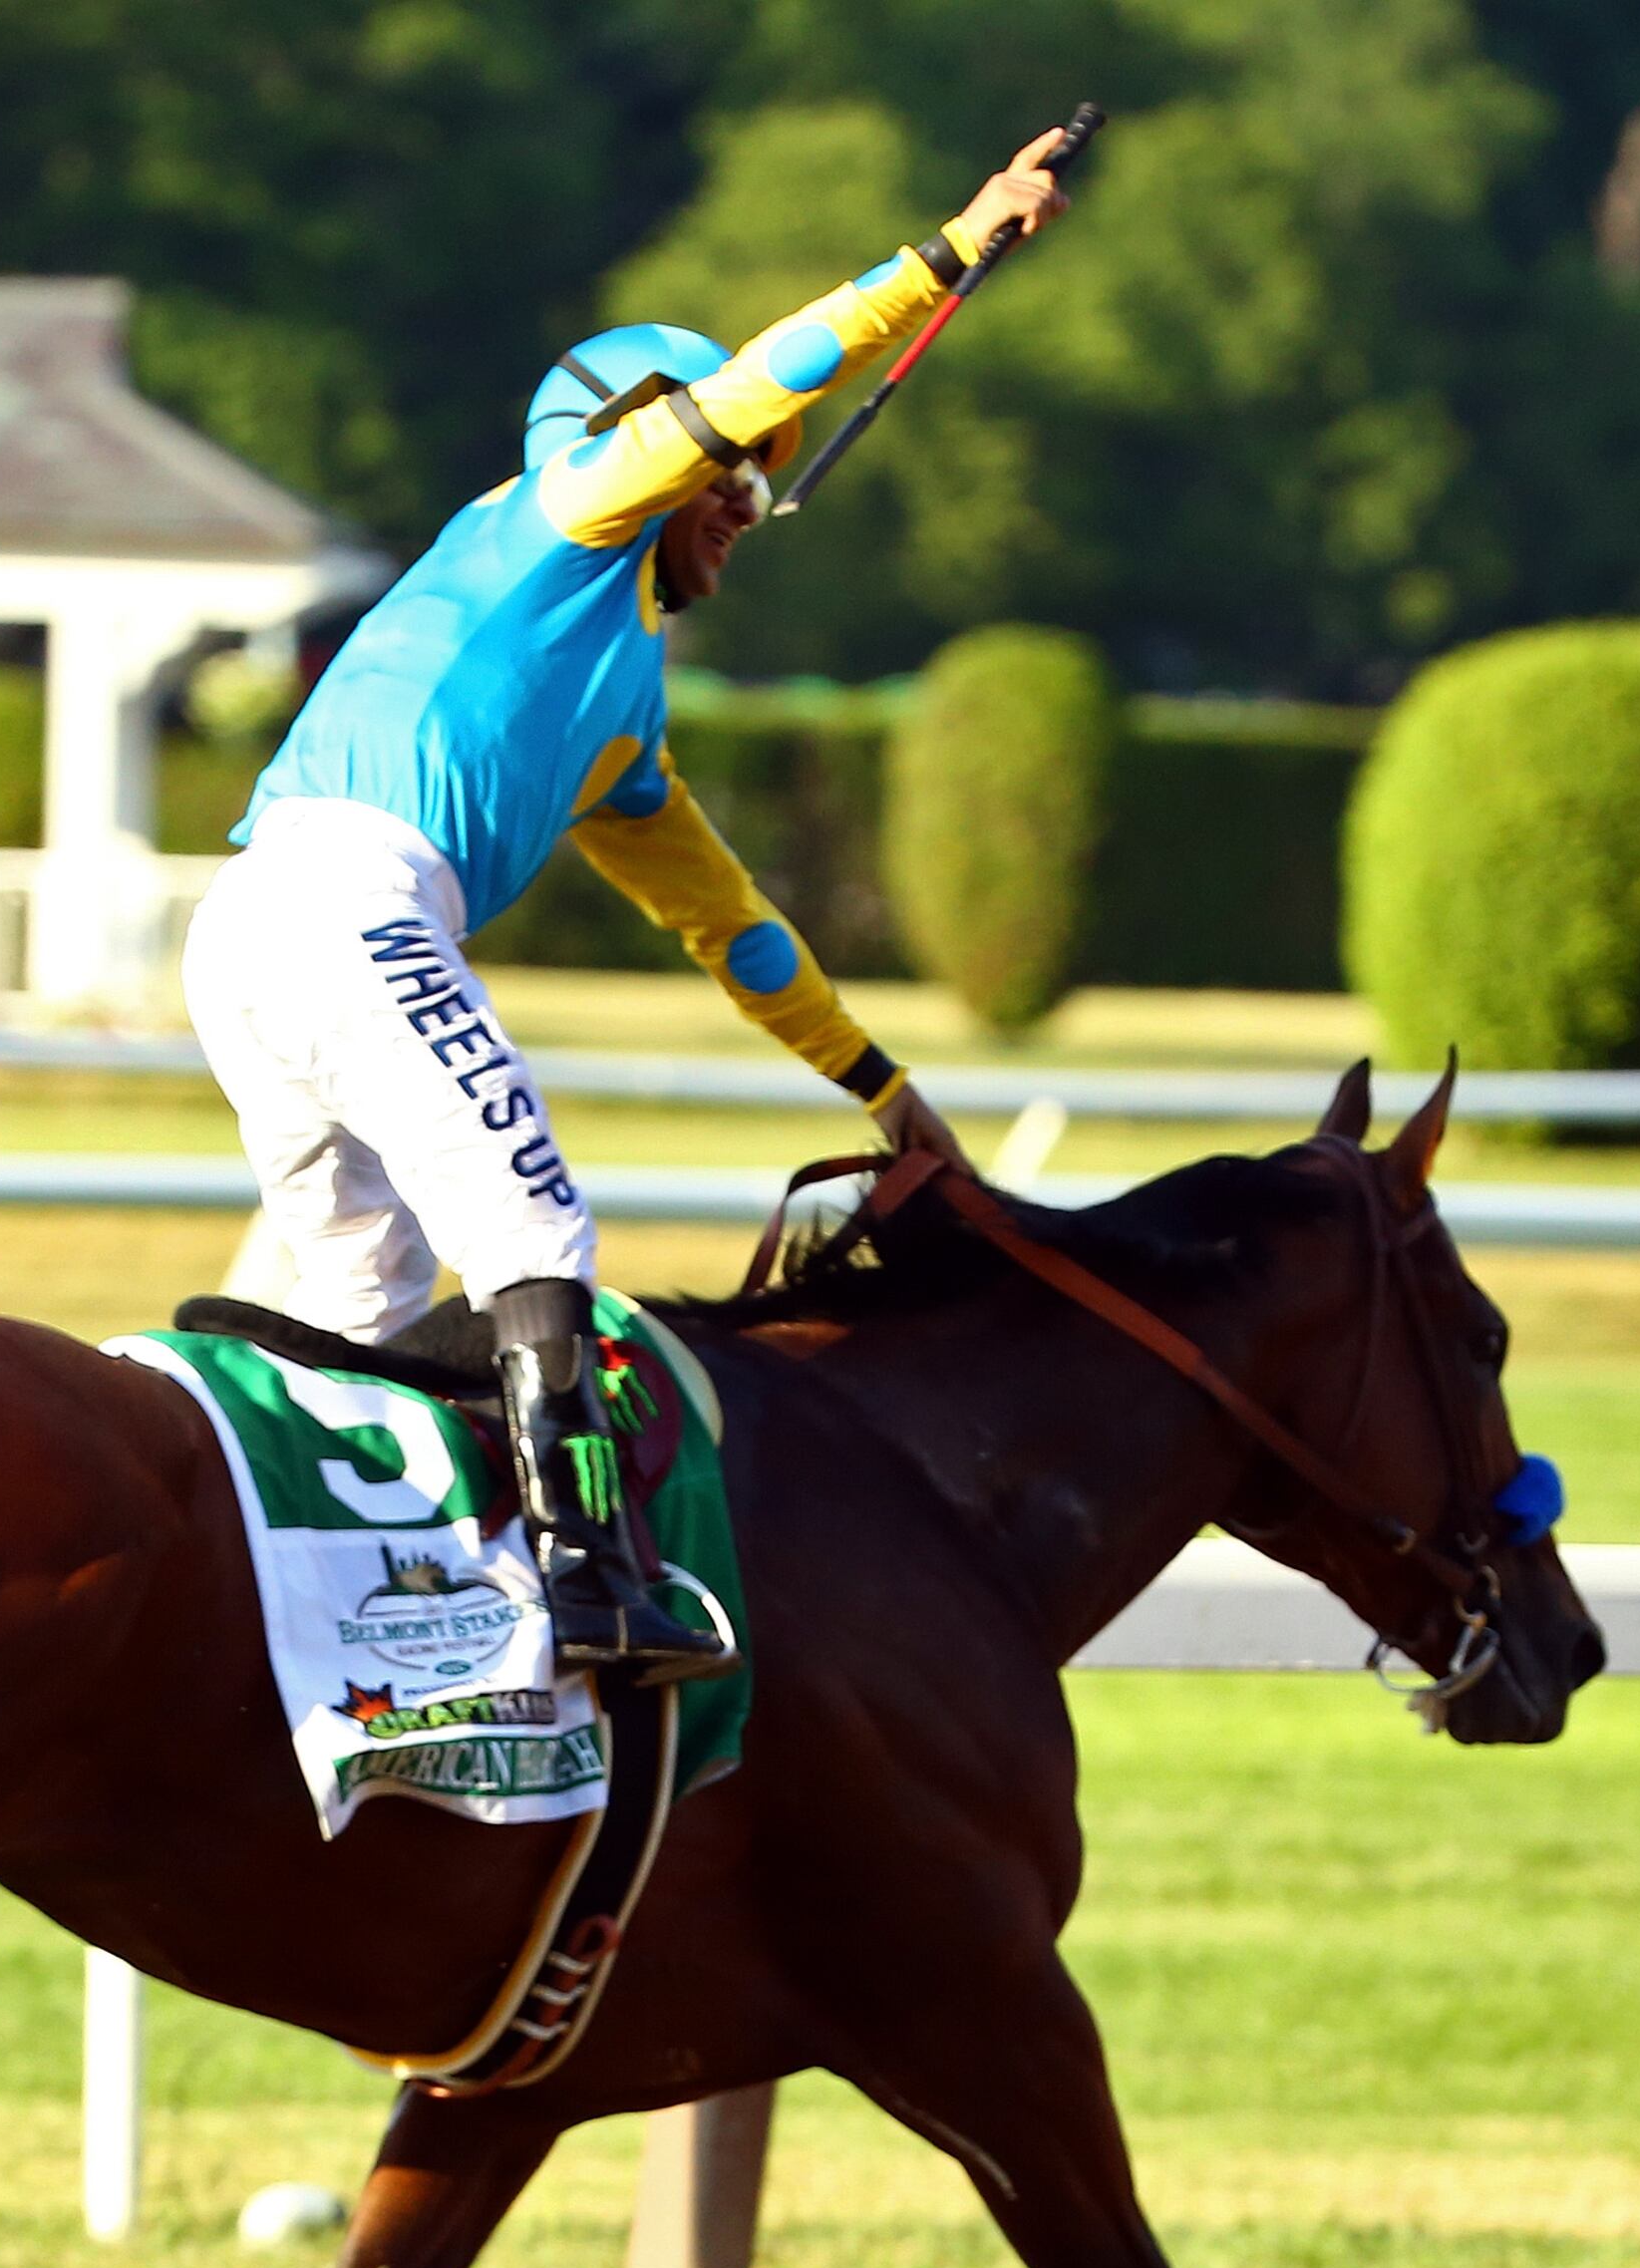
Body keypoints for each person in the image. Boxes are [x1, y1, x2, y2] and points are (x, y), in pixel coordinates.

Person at [184, 139, 1075, 1685]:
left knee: (377, 1321)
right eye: (732, 474)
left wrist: (882, 1088)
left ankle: (349, 1608)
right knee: (532, 1226)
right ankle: (596, 1586)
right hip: (350, 903)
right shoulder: (561, 512)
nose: (750, 496)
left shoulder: (619, 723)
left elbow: (732, 931)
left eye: (758, 478)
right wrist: (955, 246)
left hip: (260, 931)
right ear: (652, 446)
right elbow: (744, 390)